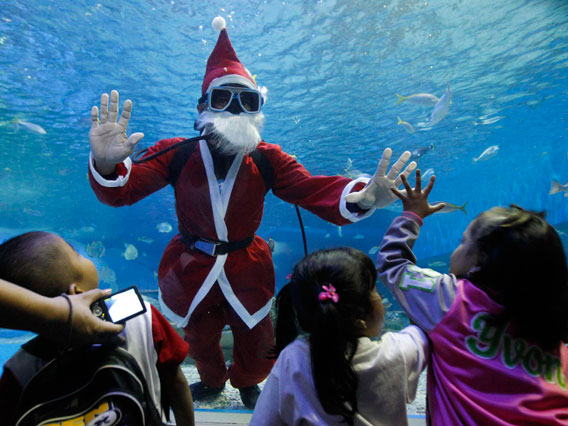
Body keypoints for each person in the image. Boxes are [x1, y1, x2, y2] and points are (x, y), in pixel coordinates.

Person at [86, 15, 416, 409]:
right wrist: (106, 165)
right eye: (224, 98)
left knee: (260, 344)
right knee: (199, 340)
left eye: (248, 100)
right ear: (203, 105)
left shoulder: (268, 158)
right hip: (190, 267)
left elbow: (312, 189)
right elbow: (125, 190)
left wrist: (363, 196)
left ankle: (246, 380)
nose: (235, 110)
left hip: (248, 266)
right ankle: (211, 381)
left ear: (258, 108)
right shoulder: (178, 152)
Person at [378, 170, 568, 425]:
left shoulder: (450, 300)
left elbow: (392, 264)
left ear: (480, 263)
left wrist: (412, 215)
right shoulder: (556, 340)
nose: (457, 247)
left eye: (462, 241)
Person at [0, 66, 122, 347]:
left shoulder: (24, 365)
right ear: (73, 292)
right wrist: (55, 315)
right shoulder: (138, 328)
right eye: (76, 254)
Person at [0, 231, 194, 426]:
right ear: (76, 292)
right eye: (77, 255)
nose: (85, 257)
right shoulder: (143, 319)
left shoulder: (20, 369)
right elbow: (175, 382)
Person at [250, 247, 429, 425]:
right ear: (359, 317)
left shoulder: (291, 359)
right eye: (374, 290)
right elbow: (424, 326)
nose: (380, 296)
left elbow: (263, 421)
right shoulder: (396, 353)